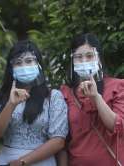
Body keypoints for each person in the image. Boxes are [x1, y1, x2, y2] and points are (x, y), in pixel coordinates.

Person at [0, 40, 68, 166]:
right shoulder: (4, 96)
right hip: (6, 161)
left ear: (38, 64)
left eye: (29, 61)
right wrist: (11, 104)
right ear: (11, 69)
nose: (24, 66)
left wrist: (21, 162)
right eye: (18, 63)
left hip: (41, 162)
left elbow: (58, 141)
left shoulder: (53, 97)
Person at [59, 33, 124, 166]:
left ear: (99, 58)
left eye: (89, 56)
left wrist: (96, 98)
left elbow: (118, 127)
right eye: (78, 57)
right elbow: (62, 142)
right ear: (72, 61)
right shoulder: (65, 93)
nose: (84, 61)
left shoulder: (117, 86)